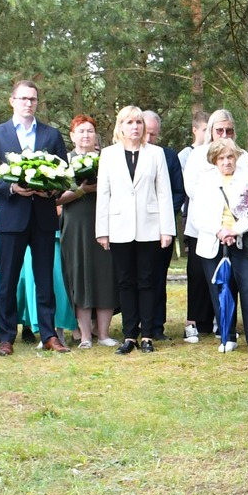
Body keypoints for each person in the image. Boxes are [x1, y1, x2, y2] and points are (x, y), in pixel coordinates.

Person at [0, 80, 67, 354]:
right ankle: (6, 338)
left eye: (33, 99)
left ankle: (49, 335)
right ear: (12, 101)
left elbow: (64, 175)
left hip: (42, 217)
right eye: (24, 98)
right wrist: (12, 187)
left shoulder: (52, 135)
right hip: (12, 216)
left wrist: (49, 190)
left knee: (44, 278)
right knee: (8, 279)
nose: (28, 103)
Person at [95, 105, 177, 352]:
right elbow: (104, 194)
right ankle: (130, 335)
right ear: (120, 126)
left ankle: (148, 335)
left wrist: (167, 230)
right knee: (125, 282)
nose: (134, 127)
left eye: (138, 122)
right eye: (129, 122)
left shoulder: (155, 154)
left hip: (150, 226)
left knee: (148, 281)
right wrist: (102, 230)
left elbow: (164, 193)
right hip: (119, 227)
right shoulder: (108, 155)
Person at [189, 135, 248, 354]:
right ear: (214, 160)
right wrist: (219, 231)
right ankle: (227, 335)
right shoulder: (205, 181)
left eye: (230, 157)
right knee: (221, 289)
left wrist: (235, 230)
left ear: (237, 157)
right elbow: (197, 216)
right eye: (221, 158)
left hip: (243, 241)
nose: (226, 162)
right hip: (214, 242)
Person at [55, 115, 117, 349]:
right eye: (81, 131)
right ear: (72, 136)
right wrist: (82, 190)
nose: (86, 135)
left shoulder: (107, 159)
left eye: (90, 131)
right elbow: (56, 197)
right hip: (76, 224)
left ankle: (103, 333)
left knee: (105, 275)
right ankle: (85, 335)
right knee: (80, 275)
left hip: (104, 223)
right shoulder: (64, 162)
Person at [139, 109, 180, 340]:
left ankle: (156, 326)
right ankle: (135, 325)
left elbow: (177, 192)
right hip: (133, 229)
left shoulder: (168, 156)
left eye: (154, 135)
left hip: (161, 228)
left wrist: (162, 217)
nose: (149, 139)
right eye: (146, 132)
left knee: (157, 279)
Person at [178, 110, 214, 342]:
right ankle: (196, 320)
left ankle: (220, 318)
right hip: (199, 221)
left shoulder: (235, 154)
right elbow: (189, 188)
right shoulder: (192, 155)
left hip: (225, 223)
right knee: (197, 273)